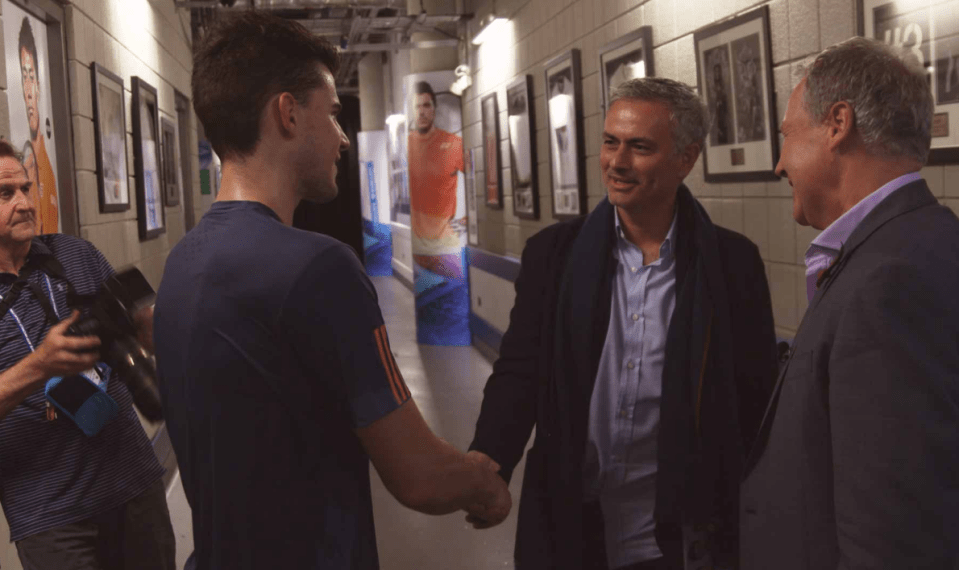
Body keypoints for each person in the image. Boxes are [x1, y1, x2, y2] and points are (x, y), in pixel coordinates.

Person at [153, 12, 510, 570]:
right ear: (289, 113)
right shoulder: (319, 268)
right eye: (334, 114)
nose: (343, 137)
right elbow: (420, 477)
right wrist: (483, 480)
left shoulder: (182, 263)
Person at [468, 77, 779, 570]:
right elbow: (521, 371)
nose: (617, 161)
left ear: (686, 158)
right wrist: (488, 465)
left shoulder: (732, 264)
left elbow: (755, 399)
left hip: (676, 536)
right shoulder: (554, 256)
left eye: (640, 147)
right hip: (572, 523)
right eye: (611, 142)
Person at [740, 37, 959, 570]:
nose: (778, 163)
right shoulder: (913, 242)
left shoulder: (892, 279)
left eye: (788, 135)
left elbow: (893, 535)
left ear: (838, 124)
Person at [0, 139, 174, 570]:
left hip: (133, 480)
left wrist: (146, 329)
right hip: (50, 513)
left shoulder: (72, 254)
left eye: (25, 188)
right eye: (6, 194)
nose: (24, 203)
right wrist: (40, 366)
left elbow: (142, 333)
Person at [407, 81, 465, 280]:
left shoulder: (454, 144)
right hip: (417, 247)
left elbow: (479, 181)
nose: (422, 112)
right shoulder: (406, 146)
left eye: (426, 105)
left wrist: (468, 220)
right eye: (417, 106)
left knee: (451, 308)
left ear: (434, 109)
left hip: (447, 248)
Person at [18, 17, 57, 234]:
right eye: (24, 77)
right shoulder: (24, 167)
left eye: (31, 76)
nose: (29, 89)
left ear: (39, 87)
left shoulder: (48, 171)